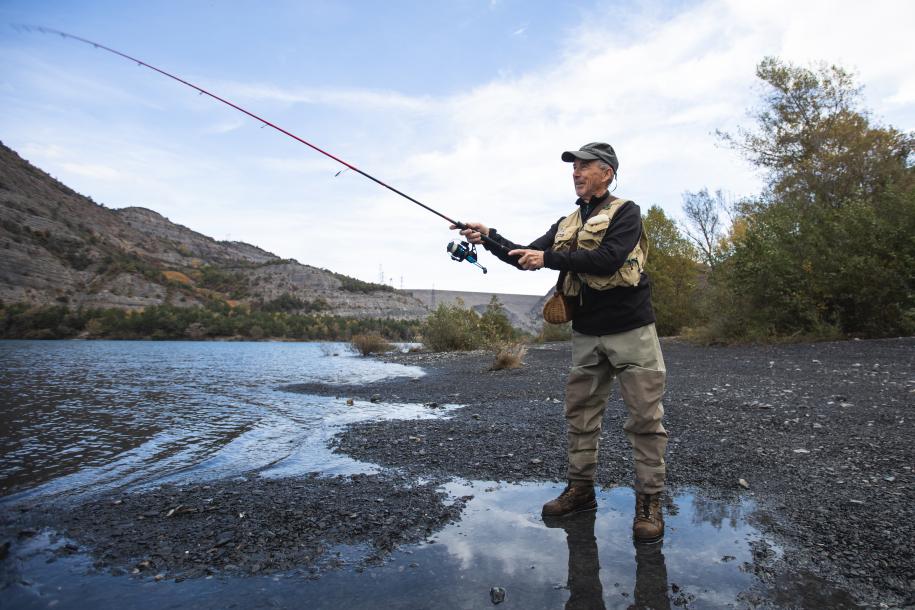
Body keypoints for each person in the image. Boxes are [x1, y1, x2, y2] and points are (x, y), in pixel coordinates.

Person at [454, 142, 668, 543]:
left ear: (607, 172)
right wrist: (488, 237)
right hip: (586, 332)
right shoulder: (568, 222)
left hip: (631, 330)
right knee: (581, 415)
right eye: (574, 166)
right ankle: (580, 492)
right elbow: (527, 256)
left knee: (644, 419)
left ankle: (650, 503)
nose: (576, 171)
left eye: (585, 165)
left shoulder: (627, 213)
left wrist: (549, 259)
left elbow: (607, 259)